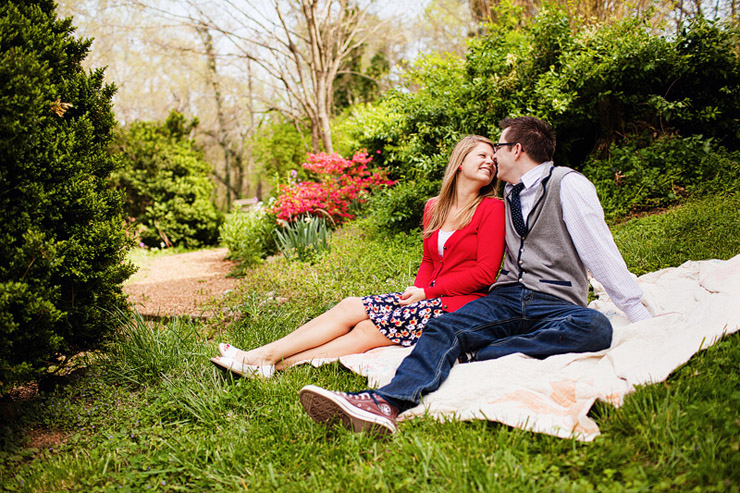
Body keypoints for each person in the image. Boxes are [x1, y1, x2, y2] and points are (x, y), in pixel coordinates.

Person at [299, 116, 653, 435]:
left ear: (516, 149)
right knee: (443, 327)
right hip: (507, 297)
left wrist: (638, 313)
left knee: (595, 327)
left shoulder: (567, 184)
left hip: (556, 301)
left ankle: (485, 351)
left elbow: (599, 249)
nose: (493, 155)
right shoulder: (508, 194)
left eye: (497, 147)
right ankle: (385, 402)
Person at [210, 135, 506, 379]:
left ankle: (272, 363)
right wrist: (416, 293)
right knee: (350, 305)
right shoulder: (434, 207)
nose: (490, 162)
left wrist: (427, 293)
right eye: (482, 155)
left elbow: (485, 274)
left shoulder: (492, 209)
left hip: (461, 305)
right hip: (429, 296)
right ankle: (263, 355)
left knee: (368, 328)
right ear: (459, 162)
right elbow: (429, 261)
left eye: (493, 160)